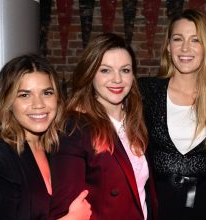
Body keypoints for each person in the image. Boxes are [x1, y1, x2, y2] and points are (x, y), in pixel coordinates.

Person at [0, 54, 92, 220]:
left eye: (47, 93)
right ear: (7, 102)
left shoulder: (53, 149)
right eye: (24, 95)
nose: (39, 104)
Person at [50, 33, 157, 220]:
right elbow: (66, 208)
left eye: (125, 70)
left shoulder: (136, 120)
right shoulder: (75, 128)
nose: (117, 80)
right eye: (105, 70)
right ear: (90, 74)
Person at [138, 9, 206, 219]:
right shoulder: (146, 91)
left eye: (195, 40)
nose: (185, 48)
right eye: (178, 39)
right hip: (157, 205)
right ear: (168, 47)